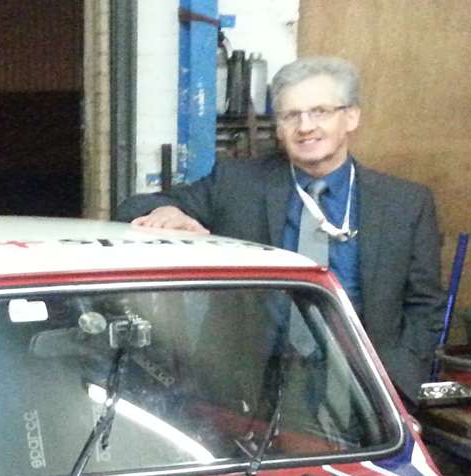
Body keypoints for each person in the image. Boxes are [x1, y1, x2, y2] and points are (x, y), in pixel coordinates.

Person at [115, 55, 446, 404]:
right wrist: (166, 209)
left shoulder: (404, 203)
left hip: (364, 384)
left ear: (351, 117)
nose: (305, 127)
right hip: (251, 384)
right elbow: (130, 208)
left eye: (320, 111)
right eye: (291, 115)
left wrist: (401, 381)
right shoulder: (236, 184)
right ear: (278, 127)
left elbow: (426, 305)